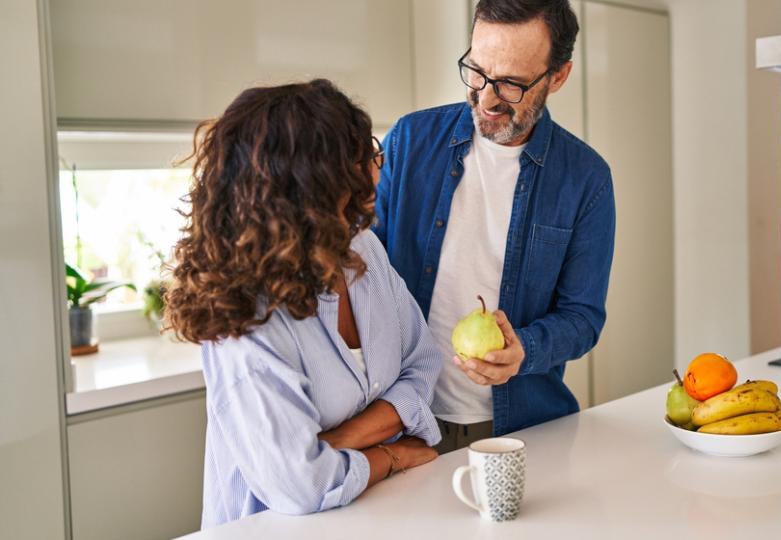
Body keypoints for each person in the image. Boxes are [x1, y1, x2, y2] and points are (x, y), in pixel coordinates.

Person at [164, 79, 441, 528]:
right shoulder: (244, 320)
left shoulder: (364, 248)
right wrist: (390, 455)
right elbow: (300, 484)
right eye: (361, 158)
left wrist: (339, 441)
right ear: (312, 186)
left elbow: (423, 364)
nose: (378, 166)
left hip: (381, 517)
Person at [373, 0, 616, 453]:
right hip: (406, 426)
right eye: (477, 71)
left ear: (558, 76)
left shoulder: (586, 179)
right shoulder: (408, 141)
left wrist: (524, 348)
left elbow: (583, 318)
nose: (485, 98)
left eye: (510, 84)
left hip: (525, 431)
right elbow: (363, 276)